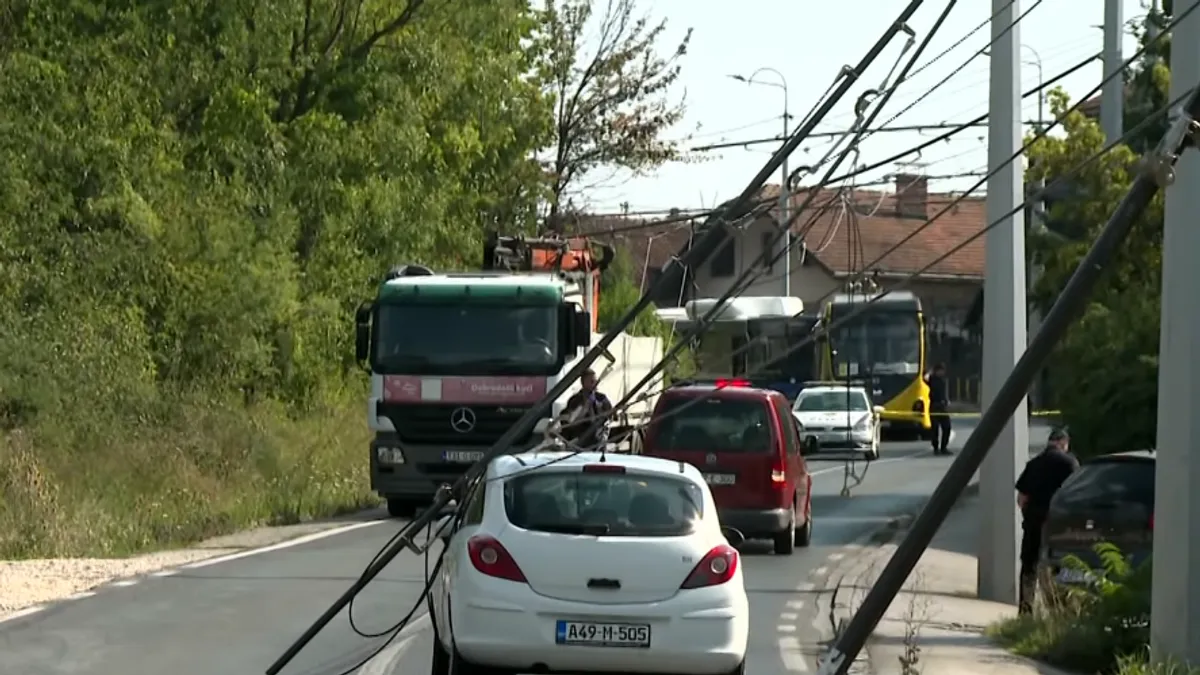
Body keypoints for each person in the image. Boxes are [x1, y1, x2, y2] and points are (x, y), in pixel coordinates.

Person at [1014, 427, 1079, 615]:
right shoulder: (1070, 463)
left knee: (1029, 564)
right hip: (1059, 522)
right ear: (1063, 443)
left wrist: (1030, 513)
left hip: (1034, 521)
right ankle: (1059, 610)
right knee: (1060, 565)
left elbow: (1022, 499)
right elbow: (1077, 492)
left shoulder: (1033, 464)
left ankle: (1026, 609)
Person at [560, 369, 613, 450]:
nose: (594, 383)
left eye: (594, 381)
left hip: (598, 442)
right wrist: (585, 406)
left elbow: (610, 415)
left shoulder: (601, 398)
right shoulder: (575, 400)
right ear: (583, 383)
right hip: (581, 441)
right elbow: (571, 421)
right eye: (591, 381)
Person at [925, 363, 952, 455]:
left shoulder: (943, 380)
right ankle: (935, 448)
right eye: (940, 370)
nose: (942, 372)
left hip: (942, 406)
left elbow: (944, 392)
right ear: (936, 371)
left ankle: (944, 447)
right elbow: (924, 377)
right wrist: (930, 372)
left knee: (947, 427)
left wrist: (947, 400)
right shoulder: (931, 379)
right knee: (935, 428)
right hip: (934, 406)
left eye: (943, 371)